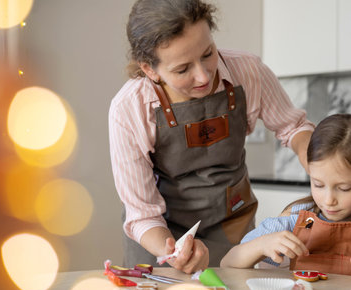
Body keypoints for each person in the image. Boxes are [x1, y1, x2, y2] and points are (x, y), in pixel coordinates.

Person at [109, 0, 314, 274]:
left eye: (208, 53)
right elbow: (142, 213)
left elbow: (294, 127)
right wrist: (174, 252)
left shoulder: (247, 71)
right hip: (161, 233)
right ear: (149, 69)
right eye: (182, 70)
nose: (203, 76)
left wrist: (324, 171)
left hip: (232, 226)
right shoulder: (129, 108)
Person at [220, 114, 351, 283]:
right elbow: (227, 264)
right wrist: (261, 245)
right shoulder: (296, 219)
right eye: (318, 184)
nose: (328, 200)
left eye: (344, 188)